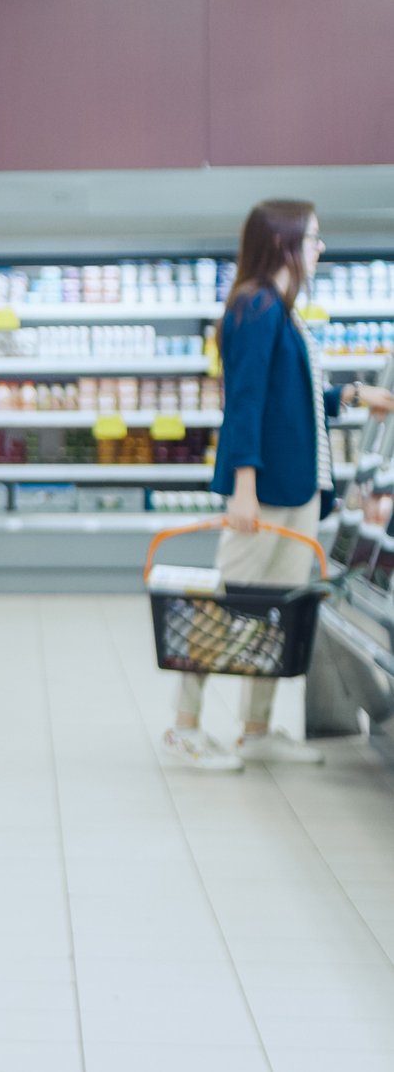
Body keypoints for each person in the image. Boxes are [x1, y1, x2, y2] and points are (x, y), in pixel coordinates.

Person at [170, 199, 394, 770]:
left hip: (295, 490)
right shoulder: (256, 308)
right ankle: (185, 726)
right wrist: (243, 487)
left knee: (272, 612)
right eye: (313, 238)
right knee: (231, 604)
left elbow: (288, 406)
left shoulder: (281, 309)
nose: (320, 248)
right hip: (265, 493)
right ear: (285, 243)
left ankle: (255, 730)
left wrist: (349, 396)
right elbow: (243, 406)